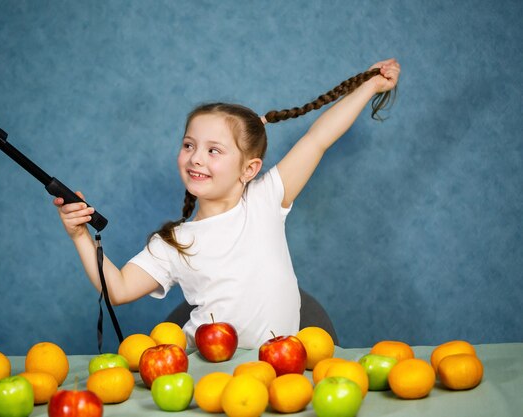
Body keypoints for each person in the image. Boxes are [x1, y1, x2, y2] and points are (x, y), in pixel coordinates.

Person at [54, 59, 401, 348]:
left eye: (213, 150)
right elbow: (117, 289)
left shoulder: (266, 199)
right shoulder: (174, 242)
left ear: (249, 169)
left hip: (279, 373)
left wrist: (369, 86)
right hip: (210, 375)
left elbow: (318, 138)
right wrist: (80, 236)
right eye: (189, 145)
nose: (196, 159)